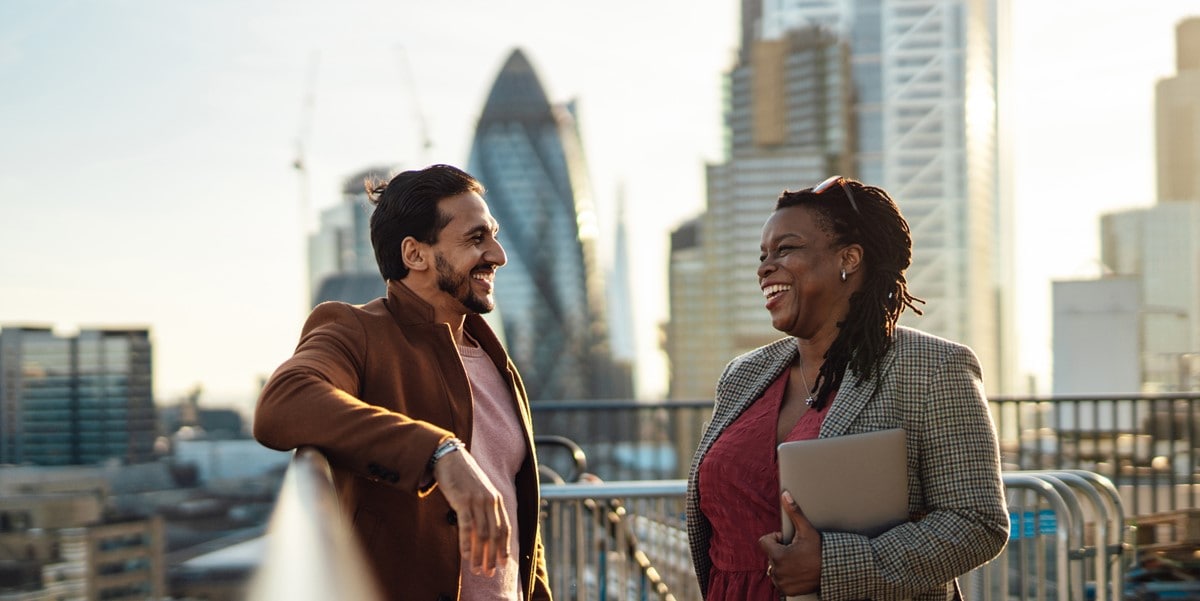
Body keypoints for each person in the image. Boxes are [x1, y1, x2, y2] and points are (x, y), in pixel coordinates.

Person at [685, 176, 1009, 600]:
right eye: (763, 255)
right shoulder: (742, 374)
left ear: (850, 258)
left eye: (786, 249)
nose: (765, 267)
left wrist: (831, 565)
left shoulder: (932, 368)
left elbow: (979, 521)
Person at [254, 164, 552, 601]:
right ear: (415, 255)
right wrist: (439, 453)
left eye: (493, 234)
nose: (498, 255)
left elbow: (517, 517)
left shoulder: (495, 358)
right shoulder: (356, 329)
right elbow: (283, 402)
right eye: (476, 239)